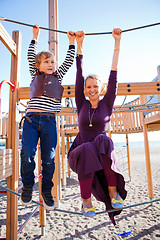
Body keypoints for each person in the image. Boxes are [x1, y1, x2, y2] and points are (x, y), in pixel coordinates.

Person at [68, 28, 127, 225]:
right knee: (87, 147)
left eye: (95, 86)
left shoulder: (107, 103)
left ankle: (112, 191)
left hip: (102, 153)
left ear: (101, 88)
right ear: (84, 90)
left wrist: (117, 43)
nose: (92, 89)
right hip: (80, 153)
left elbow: (114, 75)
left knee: (103, 139)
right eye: (88, 86)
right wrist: (80, 46)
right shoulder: (81, 103)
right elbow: (79, 74)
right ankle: (86, 201)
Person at [20, 25, 76, 210]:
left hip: (49, 122)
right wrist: (35, 37)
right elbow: (30, 56)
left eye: (52, 61)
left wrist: (71, 42)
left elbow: (68, 61)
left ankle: (46, 190)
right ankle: (28, 186)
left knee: (49, 159)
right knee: (27, 153)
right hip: (31, 120)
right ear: (38, 66)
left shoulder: (57, 76)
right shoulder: (34, 74)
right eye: (46, 62)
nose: (51, 64)